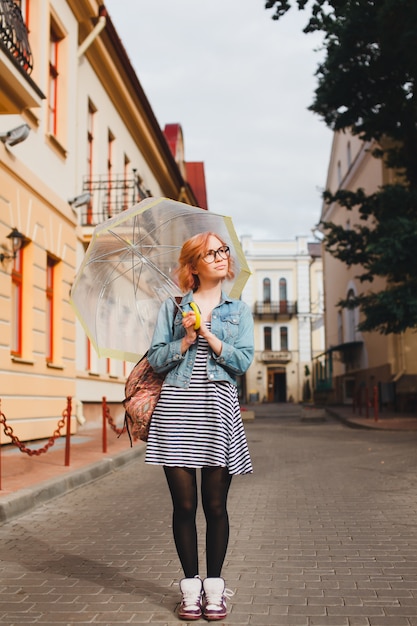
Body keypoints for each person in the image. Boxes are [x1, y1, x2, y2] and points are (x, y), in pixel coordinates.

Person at [145, 231, 254, 621]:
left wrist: (208, 333)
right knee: (184, 506)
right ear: (193, 266)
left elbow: (242, 362)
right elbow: (157, 359)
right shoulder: (172, 308)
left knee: (215, 505)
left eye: (223, 250)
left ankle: (215, 591)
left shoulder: (239, 311)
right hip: (176, 408)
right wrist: (187, 338)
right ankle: (190, 590)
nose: (221, 257)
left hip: (218, 410)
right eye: (211, 253)